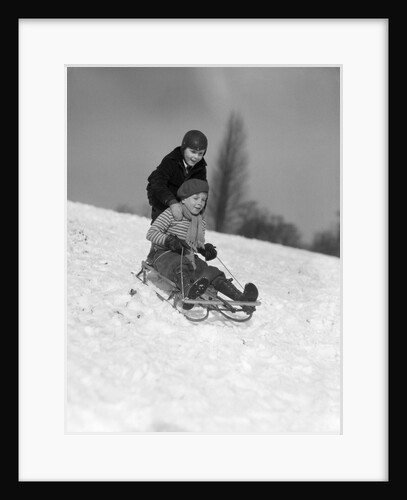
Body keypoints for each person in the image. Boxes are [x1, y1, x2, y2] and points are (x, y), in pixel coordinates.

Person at [145, 178, 259, 311]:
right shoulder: (171, 213)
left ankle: (241, 298)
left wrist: (204, 249)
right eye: (196, 198)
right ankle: (188, 292)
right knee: (180, 264)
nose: (200, 203)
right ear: (183, 199)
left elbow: (196, 244)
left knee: (211, 272)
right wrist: (170, 240)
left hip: (188, 256)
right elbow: (151, 233)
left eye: (203, 200)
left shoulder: (200, 221)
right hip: (163, 255)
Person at [145, 130, 209, 263]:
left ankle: (184, 252)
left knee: (186, 222)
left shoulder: (201, 168)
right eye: (192, 152)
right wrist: (172, 202)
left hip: (184, 199)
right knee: (165, 220)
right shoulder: (171, 161)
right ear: (184, 148)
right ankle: (156, 251)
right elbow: (158, 183)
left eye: (200, 153)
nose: (196, 157)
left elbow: (202, 190)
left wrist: (200, 210)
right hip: (163, 197)